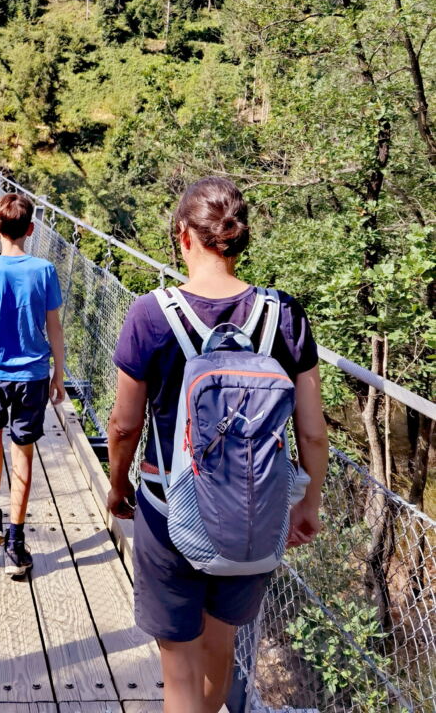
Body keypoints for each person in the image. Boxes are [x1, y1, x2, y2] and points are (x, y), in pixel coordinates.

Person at [106, 177, 328, 713]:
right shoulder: (284, 314)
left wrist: (119, 487)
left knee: (177, 667)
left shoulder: (150, 315)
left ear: (183, 235)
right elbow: (313, 430)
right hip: (255, 509)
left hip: (167, 506)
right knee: (220, 646)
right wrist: (309, 502)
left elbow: (122, 426)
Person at [0, 192, 65, 576]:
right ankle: (17, 548)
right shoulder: (44, 271)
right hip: (33, 376)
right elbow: (54, 327)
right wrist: (59, 374)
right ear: (31, 230)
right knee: (23, 452)